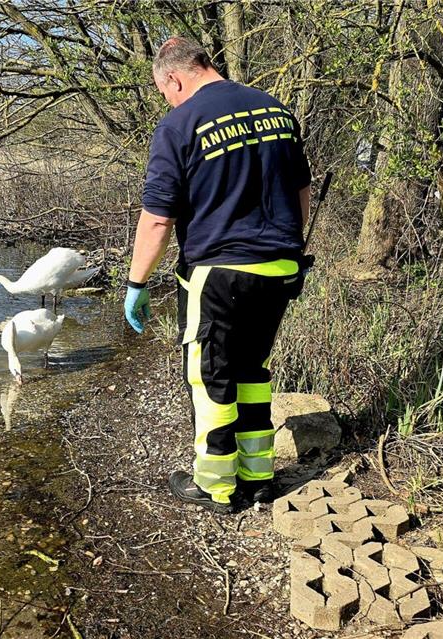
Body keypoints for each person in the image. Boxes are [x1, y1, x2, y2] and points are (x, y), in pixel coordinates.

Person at [124, 36, 314, 514]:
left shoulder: (179, 124)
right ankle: (259, 477)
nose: (166, 99)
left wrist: (136, 283)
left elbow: (157, 219)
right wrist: (291, 244)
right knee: (252, 370)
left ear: (174, 77)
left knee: (210, 379)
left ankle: (215, 485)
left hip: (220, 273)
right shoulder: (276, 112)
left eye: (163, 90)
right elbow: (300, 191)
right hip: (280, 268)